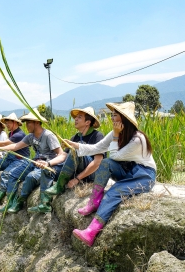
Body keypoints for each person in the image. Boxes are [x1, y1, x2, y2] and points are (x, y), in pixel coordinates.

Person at [66, 102, 156, 246]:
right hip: (127, 170)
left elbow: (114, 155)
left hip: (143, 176)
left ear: (124, 119)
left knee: (113, 193)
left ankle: (91, 232)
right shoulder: (116, 134)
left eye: (115, 116)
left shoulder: (137, 139)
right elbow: (96, 148)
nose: (112, 119)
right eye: (112, 115)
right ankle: (94, 201)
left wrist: (115, 135)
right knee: (105, 163)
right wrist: (75, 145)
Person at [29, 106, 105, 214]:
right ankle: (45, 203)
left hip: (92, 173)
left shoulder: (98, 136)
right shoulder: (75, 137)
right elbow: (63, 155)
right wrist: (48, 163)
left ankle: (60, 185)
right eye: (76, 117)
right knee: (48, 169)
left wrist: (77, 179)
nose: (76, 119)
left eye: (79, 117)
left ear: (88, 122)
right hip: (76, 169)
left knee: (79, 148)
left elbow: (97, 163)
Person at [2, 112, 63, 213]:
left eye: (28, 123)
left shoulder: (48, 136)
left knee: (31, 177)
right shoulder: (30, 136)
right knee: (13, 174)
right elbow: (16, 146)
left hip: (45, 165)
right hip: (34, 162)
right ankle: (9, 201)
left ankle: (19, 202)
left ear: (37, 123)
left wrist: (48, 163)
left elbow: (61, 154)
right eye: (25, 123)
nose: (26, 126)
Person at [0, 112, 31, 203]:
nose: (7, 124)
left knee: (6, 173)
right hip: (10, 157)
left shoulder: (19, 135)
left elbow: (5, 143)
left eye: (9, 122)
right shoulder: (11, 133)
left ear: (15, 123)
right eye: (6, 122)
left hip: (20, 159)